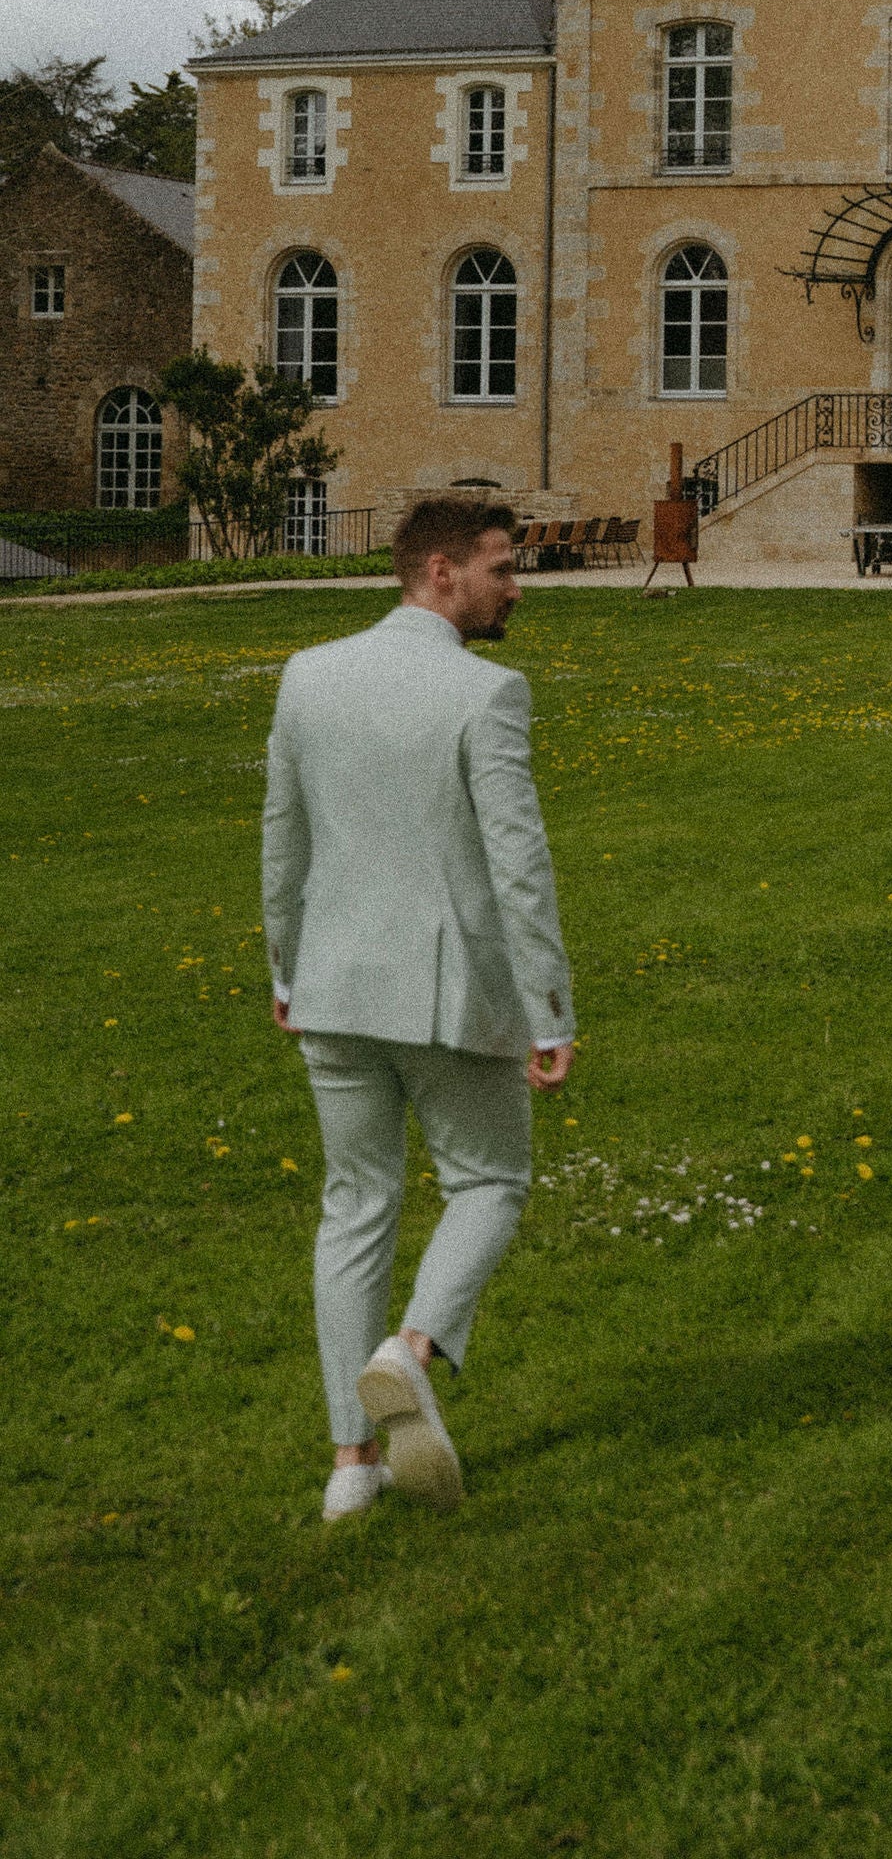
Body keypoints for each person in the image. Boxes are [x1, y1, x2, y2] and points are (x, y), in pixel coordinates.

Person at [262, 495, 576, 1522]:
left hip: (333, 983)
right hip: (447, 991)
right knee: (490, 1179)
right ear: (438, 572)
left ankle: (351, 1466)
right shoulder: (487, 694)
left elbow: (283, 841)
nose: (514, 587)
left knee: (355, 1207)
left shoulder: (308, 675)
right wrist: (549, 1012)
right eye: (499, 567)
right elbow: (518, 868)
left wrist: (284, 971)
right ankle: (413, 1347)